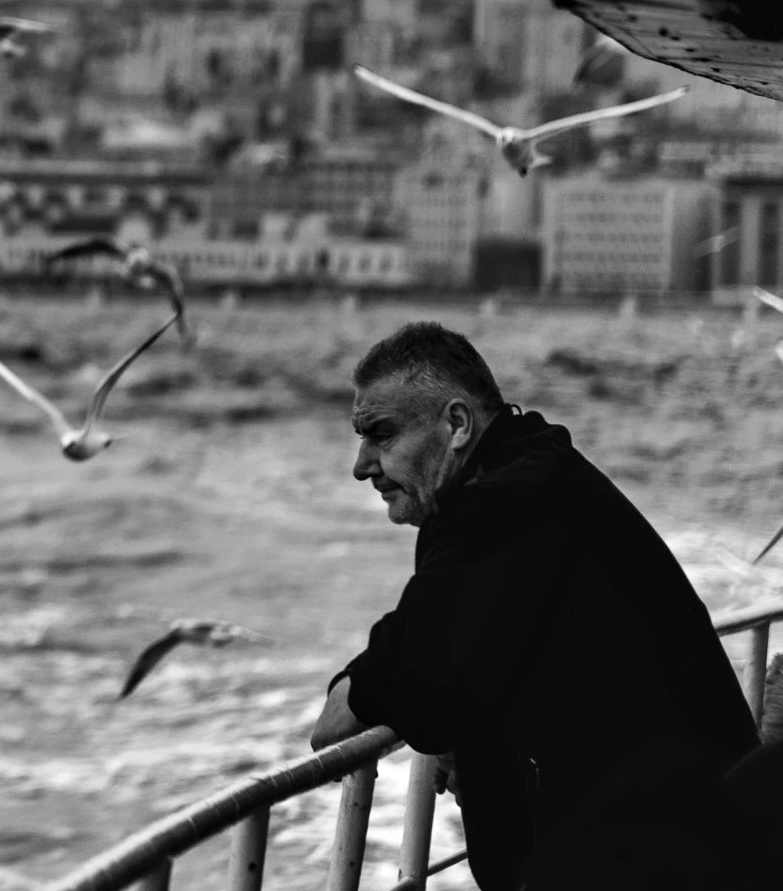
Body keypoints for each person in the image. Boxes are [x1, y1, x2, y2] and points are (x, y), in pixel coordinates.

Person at [307, 322, 764, 889]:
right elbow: (489, 647)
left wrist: (349, 688)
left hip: (671, 861)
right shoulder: (533, 473)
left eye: (381, 434)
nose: (362, 465)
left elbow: (369, 701)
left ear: (456, 424)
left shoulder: (504, 506)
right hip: (689, 830)